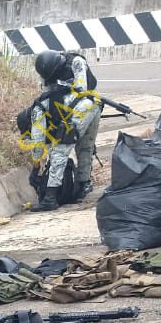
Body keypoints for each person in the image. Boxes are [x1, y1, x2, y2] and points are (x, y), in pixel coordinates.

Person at [27, 50, 103, 211]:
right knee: (84, 147)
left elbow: (38, 142)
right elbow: (39, 141)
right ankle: (83, 183)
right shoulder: (44, 101)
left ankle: (50, 198)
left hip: (86, 105)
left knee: (61, 147)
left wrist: (35, 168)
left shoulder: (75, 62)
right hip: (92, 105)